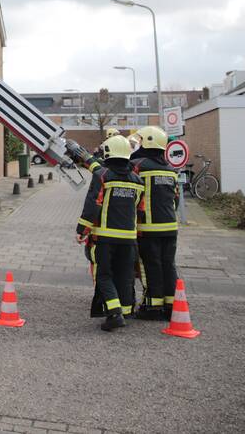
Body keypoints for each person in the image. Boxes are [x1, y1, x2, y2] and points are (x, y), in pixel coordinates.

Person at [76, 134, 145, 331]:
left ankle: (114, 314)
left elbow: (93, 205)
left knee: (104, 275)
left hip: (105, 239)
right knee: (124, 276)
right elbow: (140, 210)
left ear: (108, 153)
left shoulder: (103, 176)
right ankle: (123, 311)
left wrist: (81, 230)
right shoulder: (138, 181)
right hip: (129, 240)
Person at [130, 125, 179, 320]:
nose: (138, 145)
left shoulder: (138, 165)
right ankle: (171, 305)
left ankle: (152, 307)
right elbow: (175, 199)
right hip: (170, 227)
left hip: (148, 228)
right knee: (169, 265)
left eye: (140, 141)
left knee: (150, 266)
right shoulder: (171, 169)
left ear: (148, 142)